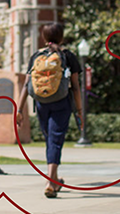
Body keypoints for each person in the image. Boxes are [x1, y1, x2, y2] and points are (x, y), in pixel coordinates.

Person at [16, 22, 83, 199]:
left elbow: (26, 84)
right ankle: (50, 183)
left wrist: (20, 109)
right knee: (55, 139)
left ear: (44, 37)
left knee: (50, 140)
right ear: (61, 37)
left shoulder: (37, 56)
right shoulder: (68, 56)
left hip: (41, 103)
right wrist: (79, 110)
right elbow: (75, 87)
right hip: (61, 103)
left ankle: (53, 179)